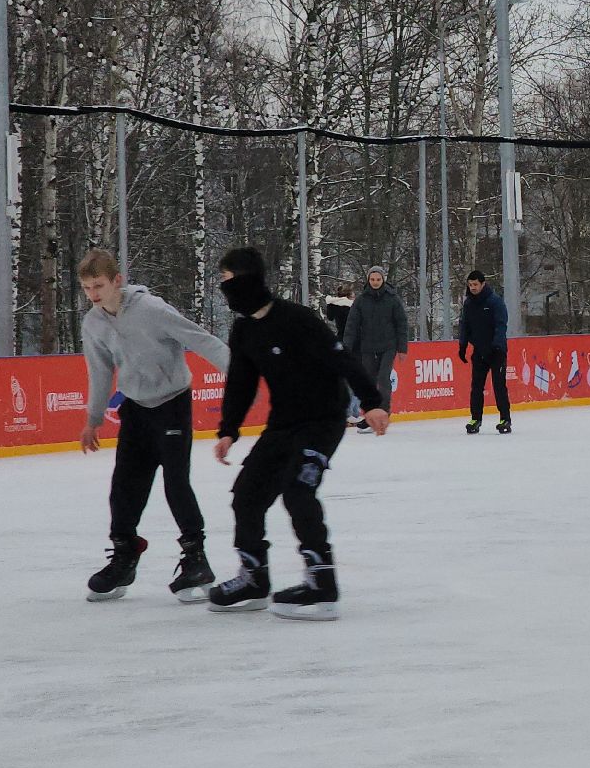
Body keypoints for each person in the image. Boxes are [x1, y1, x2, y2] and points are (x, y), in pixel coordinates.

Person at [210, 247, 389, 621]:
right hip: (283, 424)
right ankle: (253, 577)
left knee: (297, 490)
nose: (224, 289)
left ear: (247, 281)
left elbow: (342, 359)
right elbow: (241, 383)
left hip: (323, 421)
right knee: (246, 494)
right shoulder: (244, 330)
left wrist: (372, 403)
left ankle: (322, 583)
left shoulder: (296, 318)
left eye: (227, 281)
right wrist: (228, 430)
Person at [75, 248, 231, 604]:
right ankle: (125, 553)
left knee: (176, 483)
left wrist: (239, 377)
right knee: (124, 487)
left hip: (172, 405)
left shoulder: (151, 309)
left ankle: (196, 558)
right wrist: (93, 418)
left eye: (99, 285)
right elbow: (99, 371)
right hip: (135, 410)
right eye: (86, 288)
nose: (93, 294)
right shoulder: (94, 324)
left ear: (117, 280)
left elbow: (201, 339)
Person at [343, 264, 410, 430]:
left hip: (388, 346)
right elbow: (352, 325)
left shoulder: (392, 299)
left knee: (383, 378)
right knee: (369, 382)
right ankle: (370, 415)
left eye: (378, 279)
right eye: (372, 279)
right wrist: (346, 348)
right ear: (368, 280)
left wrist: (402, 348)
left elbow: (401, 323)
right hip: (367, 347)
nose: (375, 282)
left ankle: (384, 412)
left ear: (383, 280)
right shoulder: (361, 300)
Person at [459, 269, 511, 434]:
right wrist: (463, 345)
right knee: (476, 386)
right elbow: (464, 326)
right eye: (470, 285)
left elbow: (501, 324)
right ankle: (475, 419)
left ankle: (505, 419)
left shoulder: (495, 302)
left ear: (483, 284)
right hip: (479, 351)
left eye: (475, 284)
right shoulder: (468, 304)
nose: (473, 287)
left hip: (496, 351)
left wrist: (497, 345)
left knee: (499, 385)